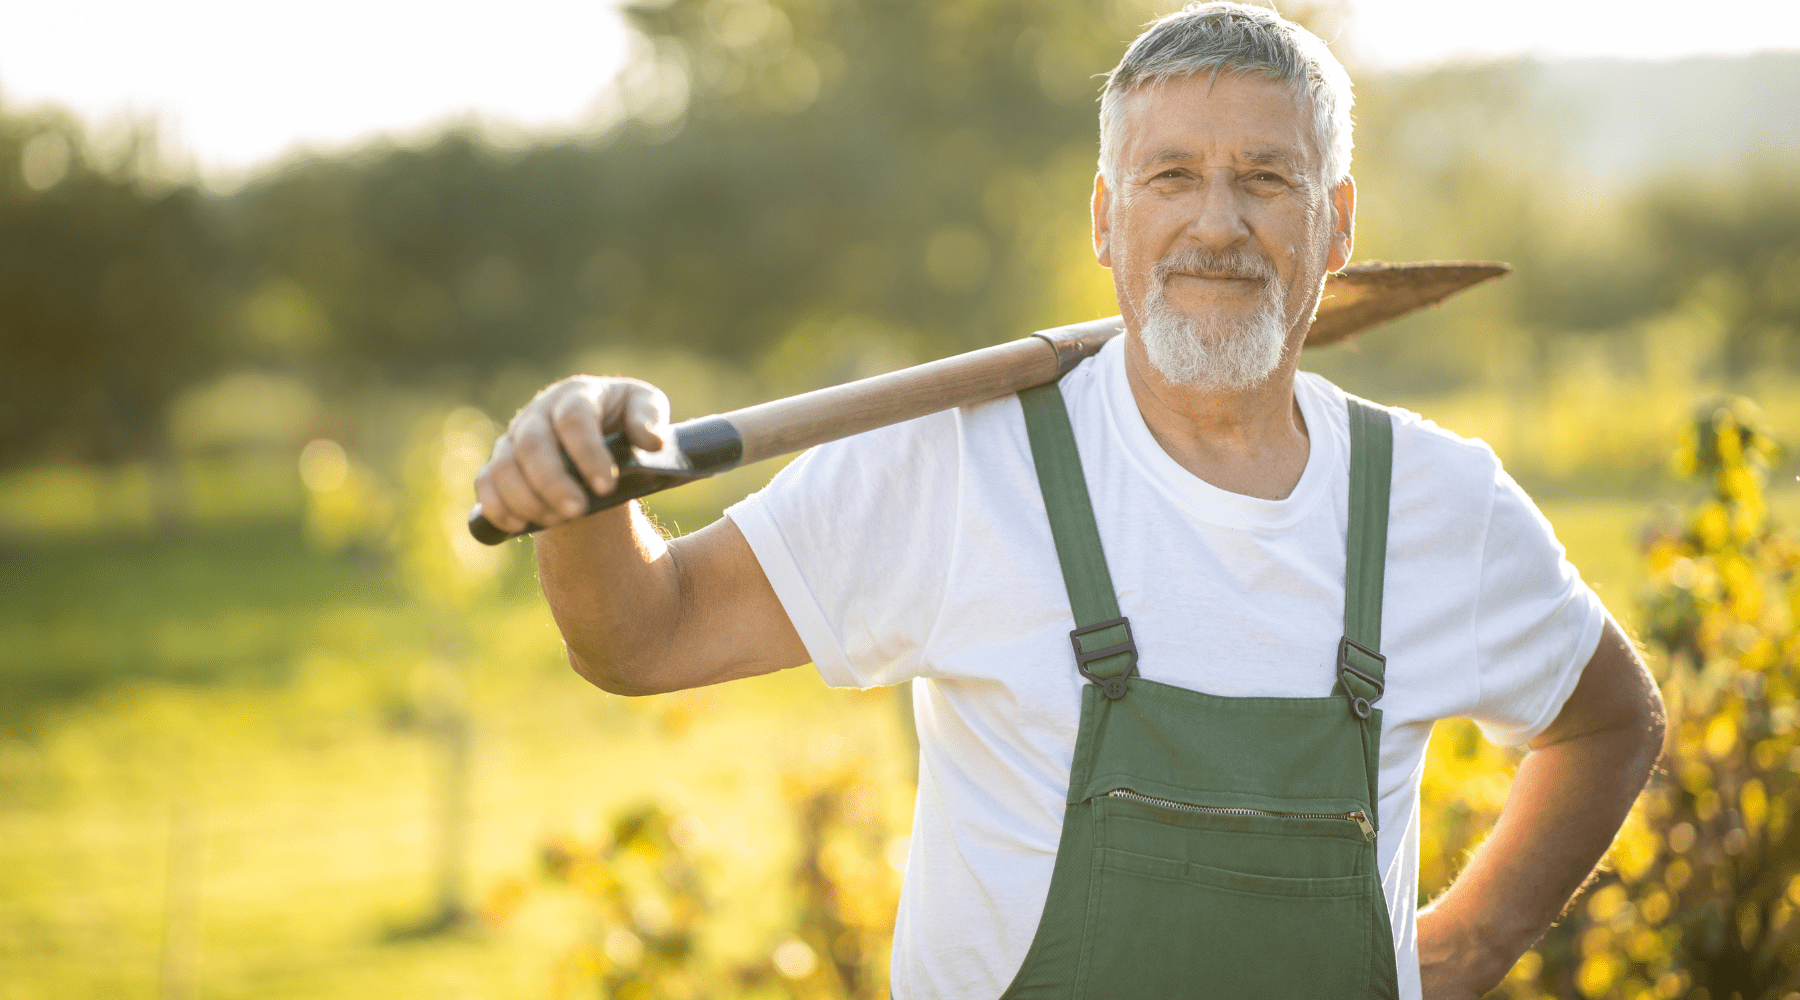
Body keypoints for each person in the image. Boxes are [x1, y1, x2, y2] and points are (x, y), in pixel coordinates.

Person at [472, 4, 1666, 998]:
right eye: (1172, 176)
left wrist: (1463, 943)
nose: (1217, 220)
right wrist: (582, 478)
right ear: (1106, 219)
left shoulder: (1436, 502)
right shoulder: (956, 464)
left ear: (1338, 223)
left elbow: (1612, 718)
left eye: (1266, 178)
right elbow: (643, 635)